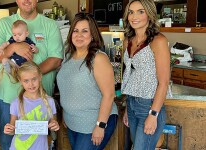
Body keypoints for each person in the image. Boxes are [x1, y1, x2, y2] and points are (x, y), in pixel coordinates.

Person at [0, 0, 63, 149]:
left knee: (40, 144)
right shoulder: (4, 23)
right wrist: (14, 47)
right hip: (9, 100)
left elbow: (56, 59)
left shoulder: (50, 25)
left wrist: (28, 77)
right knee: (10, 143)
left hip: (41, 100)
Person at [56, 12, 118, 149]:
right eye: (76, 31)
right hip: (72, 121)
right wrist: (66, 115)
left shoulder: (98, 59)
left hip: (94, 121)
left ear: (92, 35)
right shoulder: (67, 57)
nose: (79, 35)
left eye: (85, 31)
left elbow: (109, 95)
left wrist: (100, 125)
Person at [121, 0, 170, 149]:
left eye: (140, 11)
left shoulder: (158, 41)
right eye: (131, 12)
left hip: (149, 106)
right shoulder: (128, 40)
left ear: (149, 14)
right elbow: (129, 74)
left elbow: (164, 82)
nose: (134, 16)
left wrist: (153, 114)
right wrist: (127, 106)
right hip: (131, 104)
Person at [4, 61, 60, 149]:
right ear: (20, 81)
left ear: (40, 77)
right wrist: (9, 130)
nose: (31, 84)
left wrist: (54, 126)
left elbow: (53, 128)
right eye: (26, 81)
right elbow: (13, 130)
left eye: (34, 79)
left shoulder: (50, 102)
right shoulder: (16, 103)